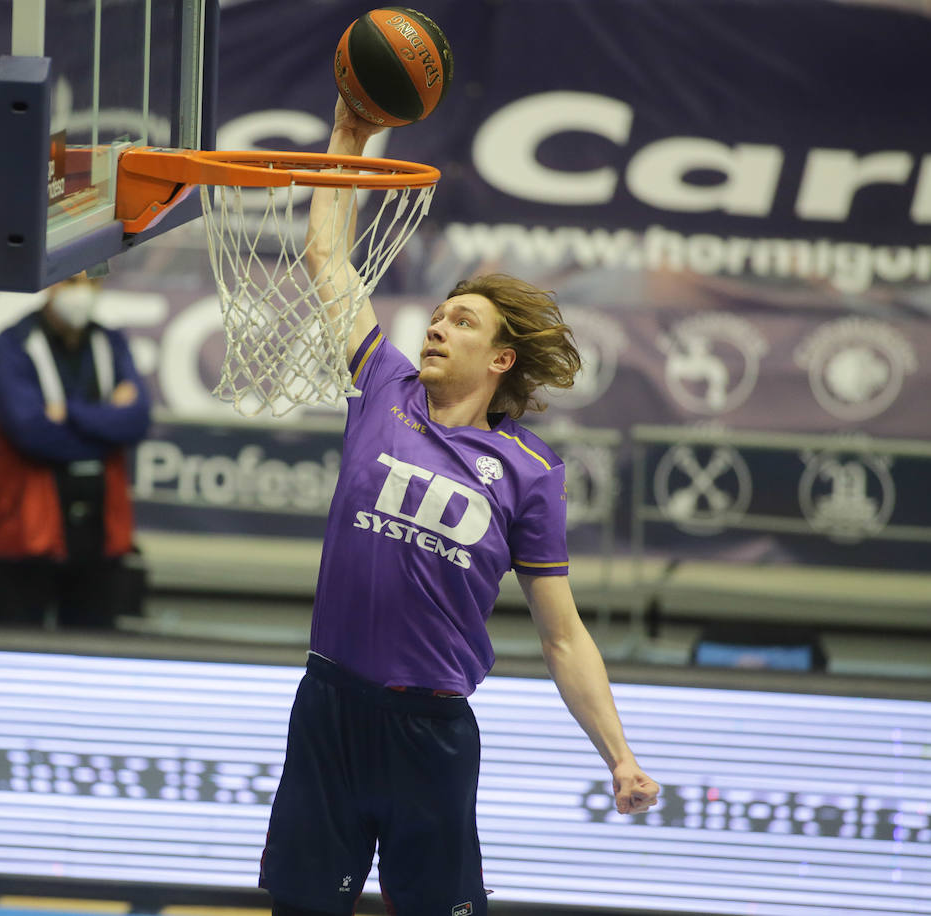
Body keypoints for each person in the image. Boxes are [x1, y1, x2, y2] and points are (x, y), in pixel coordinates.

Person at [257, 98, 661, 916]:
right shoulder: (383, 388)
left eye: (462, 321)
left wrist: (619, 755)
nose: (438, 326)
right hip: (330, 707)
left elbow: (562, 634)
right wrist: (347, 137)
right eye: (438, 314)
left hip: (430, 731)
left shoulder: (528, 474)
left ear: (501, 358)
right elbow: (326, 257)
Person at [0, 267, 152, 630]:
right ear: (51, 283)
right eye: (73, 281)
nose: (83, 291)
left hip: (100, 539)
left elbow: (137, 421)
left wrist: (69, 414)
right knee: (16, 656)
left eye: (92, 282)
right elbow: (30, 432)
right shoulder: (13, 344)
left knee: (93, 660)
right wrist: (104, 427)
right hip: (26, 539)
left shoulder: (111, 342)